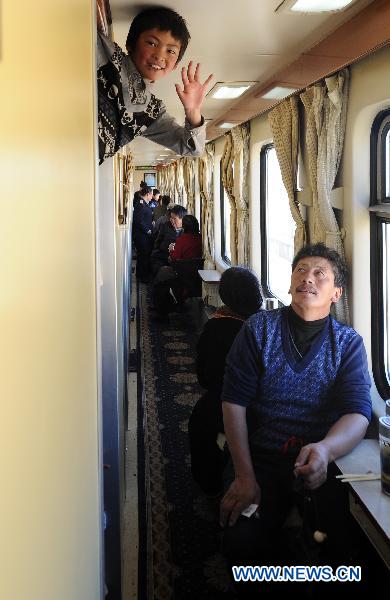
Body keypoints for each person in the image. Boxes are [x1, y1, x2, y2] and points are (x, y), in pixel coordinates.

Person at [220, 243, 371, 576]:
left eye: (320, 273)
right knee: (243, 541)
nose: (308, 278)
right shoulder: (258, 329)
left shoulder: (348, 344)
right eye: (301, 270)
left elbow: (358, 412)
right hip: (260, 457)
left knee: (347, 549)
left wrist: (325, 450)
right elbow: (234, 402)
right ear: (289, 283)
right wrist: (245, 475)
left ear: (336, 293)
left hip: (320, 459)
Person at [97, 7, 213, 163]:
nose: (159, 56)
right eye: (152, 43)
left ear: (175, 65)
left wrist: (193, 113)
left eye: (171, 51)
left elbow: (192, 150)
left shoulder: (151, 112)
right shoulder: (106, 53)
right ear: (130, 44)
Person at [188, 267, 263, 496]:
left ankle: (211, 484)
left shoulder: (216, 327)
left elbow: (205, 377)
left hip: (227, 402)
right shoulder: (265, 326)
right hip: (265, 406)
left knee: (199, 422)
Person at [132, 186, 154, 282]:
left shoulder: (144, 203)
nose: (152, 196)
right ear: (148, 194)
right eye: (151, 194)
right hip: (141, 235)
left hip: (143, 235)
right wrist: (147, 230)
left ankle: (140, 275)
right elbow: (138, 221)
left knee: (143, 255)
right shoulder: (141, 204)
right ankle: (143, 276)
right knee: (143, 255)